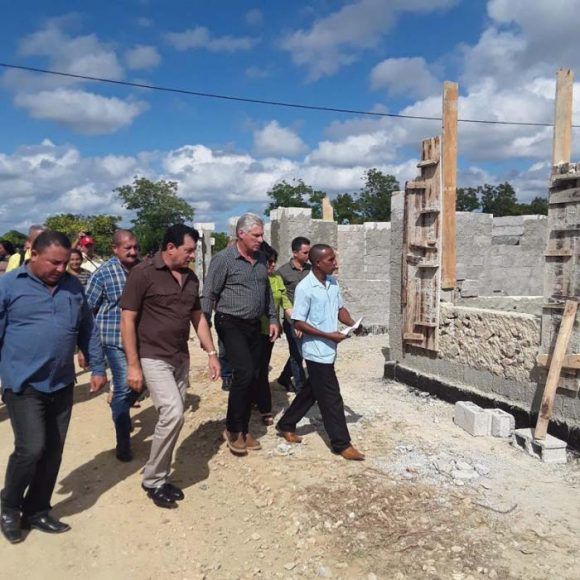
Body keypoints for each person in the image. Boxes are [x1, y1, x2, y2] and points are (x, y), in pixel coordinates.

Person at [0, 231, 107, 544]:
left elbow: (87, 327)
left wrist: (98, 367)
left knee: (53, 451)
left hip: (60, 381)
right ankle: (9, 506)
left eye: (65, 263)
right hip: (23, 382)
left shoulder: (73, 286)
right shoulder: (8, 286)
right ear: (33, 255)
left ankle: (37, 509)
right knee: (31, 447)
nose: (61, 269)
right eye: (54, 263)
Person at [120, 224, 219, 509]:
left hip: (179, 357)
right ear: (170, 247)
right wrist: (133, 365)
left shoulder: (190, 279)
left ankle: (159, 476)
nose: (191, 256)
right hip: (152, 356)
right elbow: (127, 320)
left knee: (174, 418)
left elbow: (198, 318)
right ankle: (152, 480)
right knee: (173, 414)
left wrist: (211, 352)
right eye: (188, 250)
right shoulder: (143, 274)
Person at [276, 244, 365, 461]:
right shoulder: (305, 288)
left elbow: (339, 309)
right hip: (315, 350)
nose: (335, 263)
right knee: (332, 397)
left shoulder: (333, 283)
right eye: (330, 260)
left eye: (334, 259)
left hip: (329, 348)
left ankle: (286, 424)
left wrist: (353, 323)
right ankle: (341, 444)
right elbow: (298, 322)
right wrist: (328, 335)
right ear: (317, 263)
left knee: (312, 390)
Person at [201, 213, 279, 456]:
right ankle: (234, 429)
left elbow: (266, 292)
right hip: (229, 322)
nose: (260, 239)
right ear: (241, 234)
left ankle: (244, 428)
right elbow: (209, 294)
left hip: (254, 324)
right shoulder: (223, 260)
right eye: (256, 235)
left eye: (261, 235)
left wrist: (273, 318)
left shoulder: (261, 258)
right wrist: (205, 327)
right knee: (244, 371)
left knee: (255, 374)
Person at [85, 230, 140, 462]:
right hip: (114, 339)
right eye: (127, 248)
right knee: (125, 386)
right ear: (114, 249)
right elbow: (87, 309)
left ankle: (120, 412)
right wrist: (84, 347)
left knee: (140, 385)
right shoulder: (102, 274)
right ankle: (123, 441)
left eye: (135, 247)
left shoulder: (142, 270)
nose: (133, 252)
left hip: (140, 339)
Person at [253, 243, 292, 426]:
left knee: (261, 369)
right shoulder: (252, 278)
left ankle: (262, 404)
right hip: (250, 330)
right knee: (253, 370)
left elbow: (286, 303)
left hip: (269, 332)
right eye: (269, 262)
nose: (272, 266)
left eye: (274, 262)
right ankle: (259, 403)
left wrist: (298, 321)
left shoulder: (276, 280)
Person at [276, 236, 311, 393]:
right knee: (298, 354)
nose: (308, 255)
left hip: (310, 320)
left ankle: (284, 378)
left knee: (299, 353)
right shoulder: (282, 273)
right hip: (293, 321)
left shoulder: (312, 270)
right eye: (305, 252)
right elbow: (280, 300)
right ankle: (301, 388)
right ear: (295, 253)